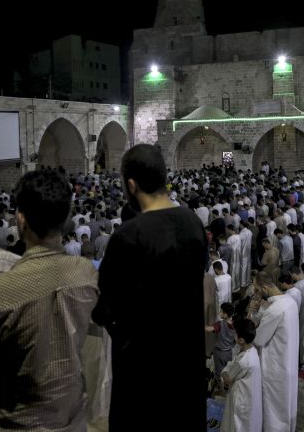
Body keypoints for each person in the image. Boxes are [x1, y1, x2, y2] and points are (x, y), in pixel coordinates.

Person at [92, 144, 207, 431]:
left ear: (131, 185)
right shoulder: (193, 223)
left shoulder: (129, 235)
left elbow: (105, 308)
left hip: (143, 372)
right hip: (186, 364)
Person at [0, 169, 98, 431]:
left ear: (21, 220)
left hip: (19, 424)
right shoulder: (86, 273)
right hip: (72, 420)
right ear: (66, 217)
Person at [249, 272, 299, 432]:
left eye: (257, 290)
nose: (256, 294)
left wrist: (252, 313)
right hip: (288, 361)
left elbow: (258, 339)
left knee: (274, 407)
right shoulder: (290, 301)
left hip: (275, 366)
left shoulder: (275, 310)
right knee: (286, 402)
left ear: (265, 287)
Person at [220, 318, 262, 432]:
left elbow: (228, 378)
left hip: (240, 398)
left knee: (236, 424)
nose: (234, 334)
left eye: (236, 333)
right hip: (249, 394)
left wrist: (223, 372)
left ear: (241, 340)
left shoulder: (242, 361)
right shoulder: (253, 350)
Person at [207, 302, 237, 392]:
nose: (219, 313)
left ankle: (221, 390)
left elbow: (210, 329)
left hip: (219, 353)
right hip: (229, 352)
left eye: (221, 311)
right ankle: (227, 388)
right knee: (227, 371)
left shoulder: (220, 324)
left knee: (219, 373)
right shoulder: (235, 324)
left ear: (226, 314)